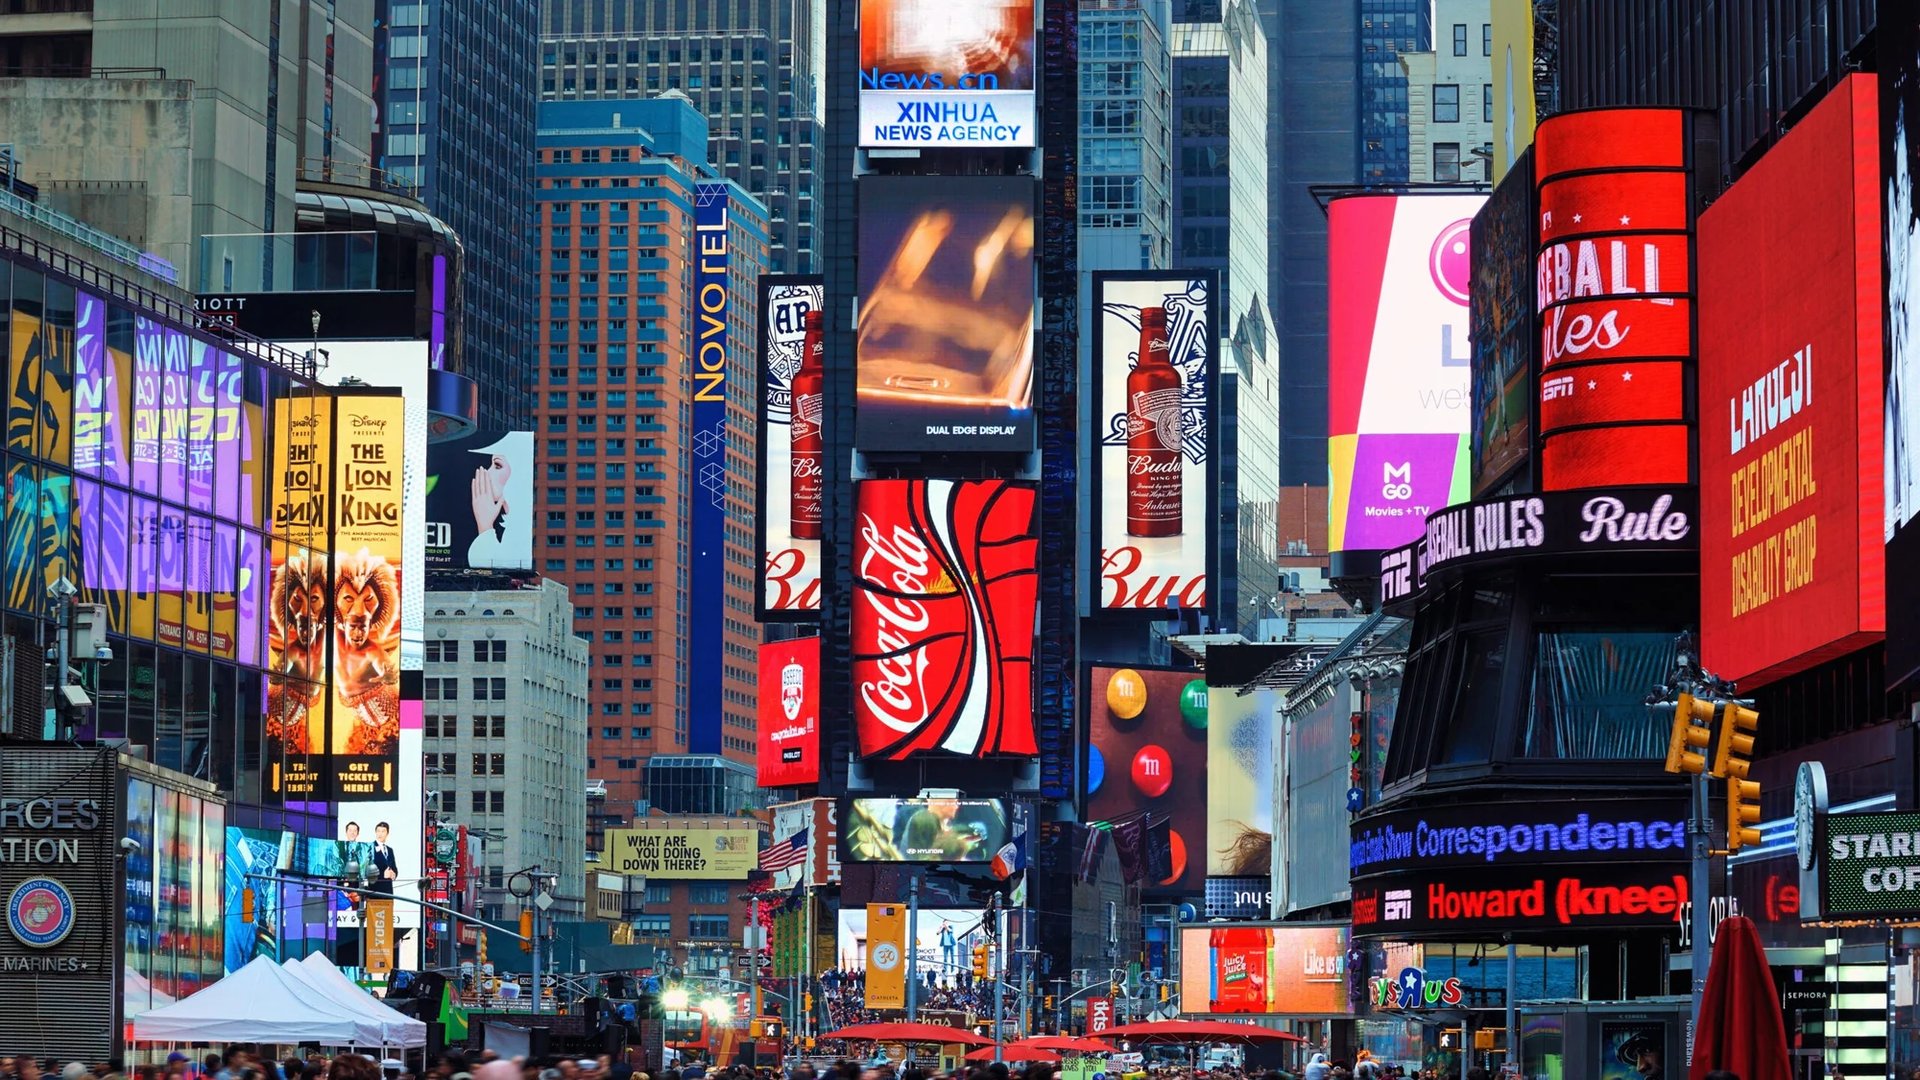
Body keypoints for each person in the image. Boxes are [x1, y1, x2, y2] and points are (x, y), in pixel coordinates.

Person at [370, 821, 398, 895]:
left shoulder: (390, 850)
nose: (380, 834)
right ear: (375, 832)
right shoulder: (370, 848)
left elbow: (394, 868)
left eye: (383, 831)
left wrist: (393, 874)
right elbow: (367, 871)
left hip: (388, 891)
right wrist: (383, 875)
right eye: (378, 831)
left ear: (387, 833)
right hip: (375, 891)